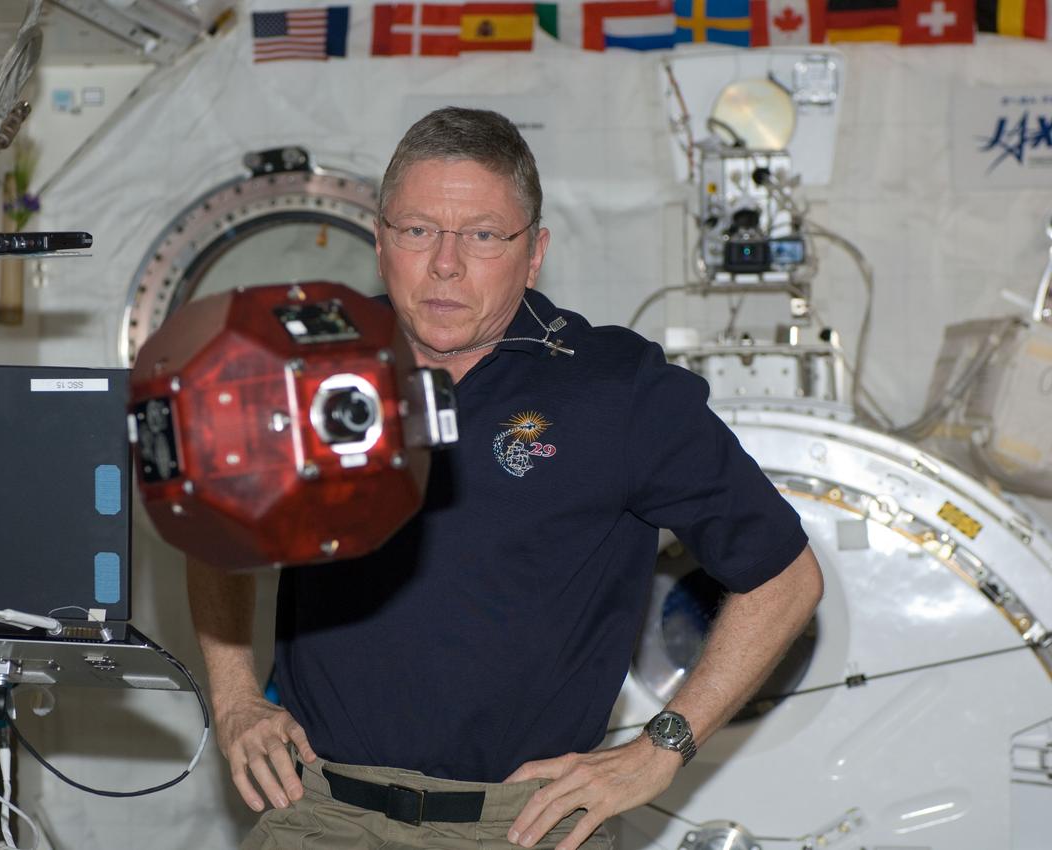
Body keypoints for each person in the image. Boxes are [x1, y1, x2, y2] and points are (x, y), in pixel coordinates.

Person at [187, 107, 824, 850]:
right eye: (419, 230)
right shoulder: (306, 365)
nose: (447, 264)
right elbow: (212, 523)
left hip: (520, 828)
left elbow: (785, 577)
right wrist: (234, 698)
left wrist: (659, 750)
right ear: (381, 239)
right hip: (321, 815)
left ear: (534, 253)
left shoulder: (617, 391)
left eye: (484, 235)